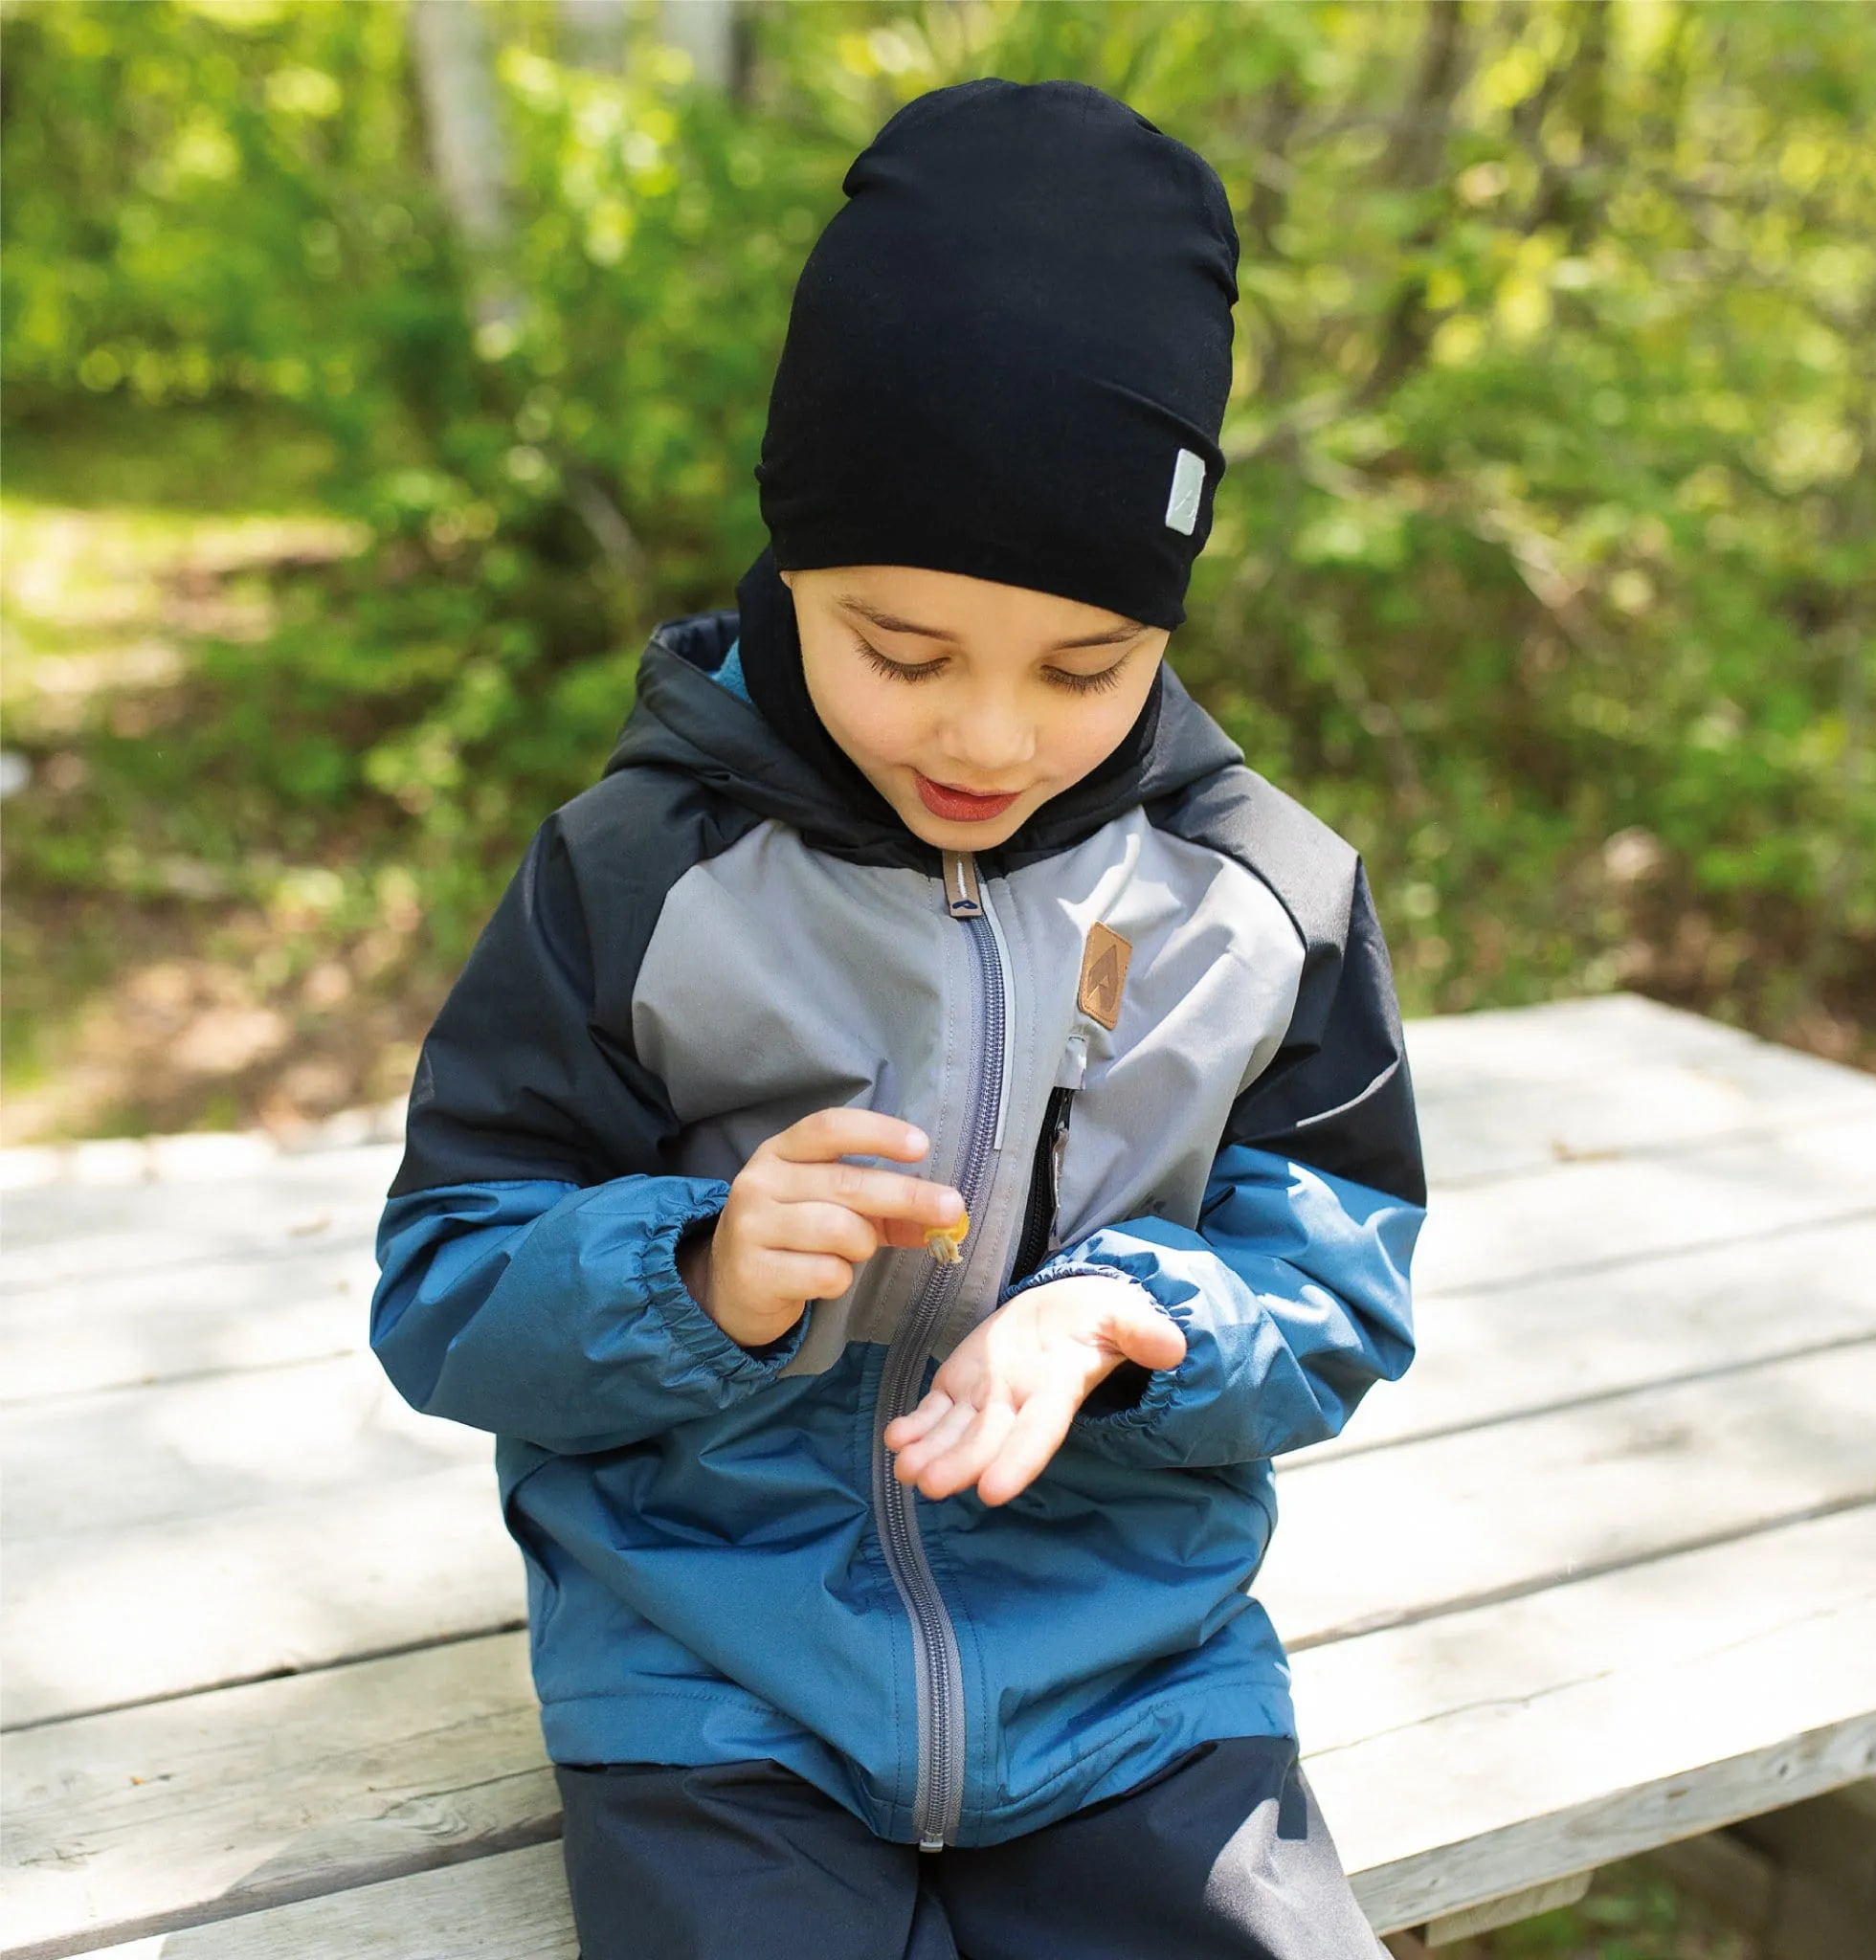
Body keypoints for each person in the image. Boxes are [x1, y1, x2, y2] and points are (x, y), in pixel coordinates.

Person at [372, 78, 1423, 1960]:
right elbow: (444, 1284)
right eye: (901, 648)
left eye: (1085, 665)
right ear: (789, 556)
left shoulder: (1263, 900)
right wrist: (692, 1273)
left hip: (1143, 1682)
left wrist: (1148, 1316)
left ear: (1168, 620)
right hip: (715, 1694)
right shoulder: (634, 877)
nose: (988, 736)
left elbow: (1340, 1286)